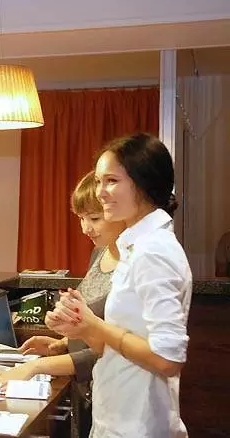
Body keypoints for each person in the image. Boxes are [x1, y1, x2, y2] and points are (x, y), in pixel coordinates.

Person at [49, 133, 192, 437]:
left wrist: (94, 325)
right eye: (98, 181)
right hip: (116, 414)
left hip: (137, 422)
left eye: (111, 181)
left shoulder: (153, 251)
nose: (100, 192)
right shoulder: (134, 247)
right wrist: (81, 328)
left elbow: (167, 359)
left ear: (143, 182)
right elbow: (116, 342)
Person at [0, 171, 125, 438]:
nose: (86, 228)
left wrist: (35, 367)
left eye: (94, 218)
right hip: (87, 389)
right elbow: (91, 326)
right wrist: (62, 343)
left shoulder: (134, 267)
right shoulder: (99, 253)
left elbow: (115, 349)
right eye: (81, 218)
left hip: (117, 395)